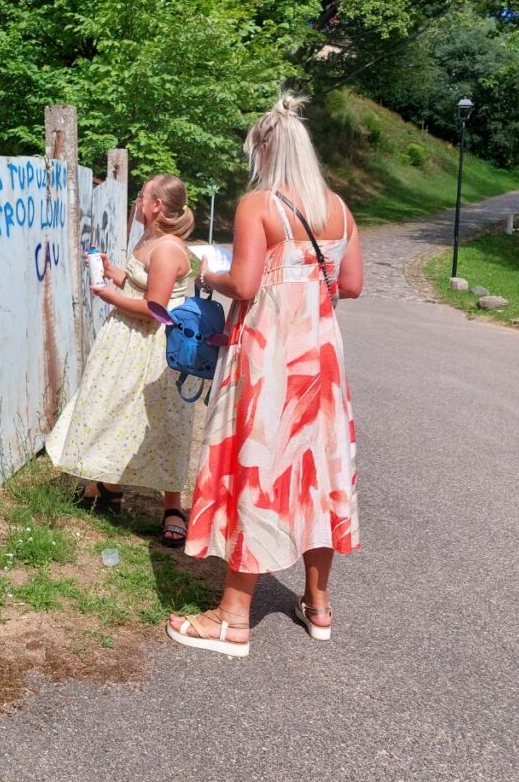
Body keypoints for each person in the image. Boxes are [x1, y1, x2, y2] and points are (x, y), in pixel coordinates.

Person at [167, 92, 363, 657]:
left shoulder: (259, 205)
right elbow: (351, 285)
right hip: (321, 356)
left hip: (269, 351)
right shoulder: (339, 208)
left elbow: (246, 284)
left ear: (263, 152)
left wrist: (212, 274)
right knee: (317, 466)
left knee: (261, 463)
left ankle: (232, 619)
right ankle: (318, 605)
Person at [47, 174, 197, 546]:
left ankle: (172, 508)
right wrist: (114, 272)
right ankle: (108, 485)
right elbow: (141, 284)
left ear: (157, 206)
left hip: (154, 349)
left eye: (143, 196)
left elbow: (155, 308)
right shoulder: (149, 239)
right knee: (118, 412)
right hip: (131, 343)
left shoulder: (167, 249)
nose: (138, 201)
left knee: (160, 423)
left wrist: (107, 295)